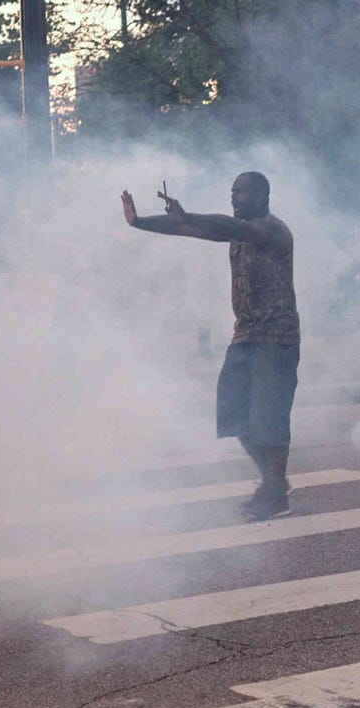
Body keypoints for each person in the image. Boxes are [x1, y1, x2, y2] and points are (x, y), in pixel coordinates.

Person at [121, 172, 300, 520]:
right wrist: (140, 222)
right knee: (233, 412)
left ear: (263, 195)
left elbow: (221, 226)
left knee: (270, 420)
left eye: (242, 193)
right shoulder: (236, 230)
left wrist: (189, 216)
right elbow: (189, 229)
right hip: (246, 334)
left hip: (277, 338)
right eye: (232, 192)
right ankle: (274, 481)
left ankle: (277, 495)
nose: (234, 198)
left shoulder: (271, 230)